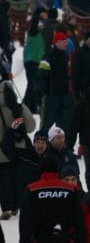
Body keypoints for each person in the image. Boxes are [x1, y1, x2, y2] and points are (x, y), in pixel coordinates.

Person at [18, 154, 86, 243]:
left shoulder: (31, 189)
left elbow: (25, 222)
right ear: (58, 169)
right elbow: (79, 221)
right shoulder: (71, 190)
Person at [0, 80, 35, 219]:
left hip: (1, 151)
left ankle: (6, 208)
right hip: (18, 149)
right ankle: (16, 205)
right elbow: (31, 127)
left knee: (3, 179)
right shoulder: (19, 108)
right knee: (16, 178)